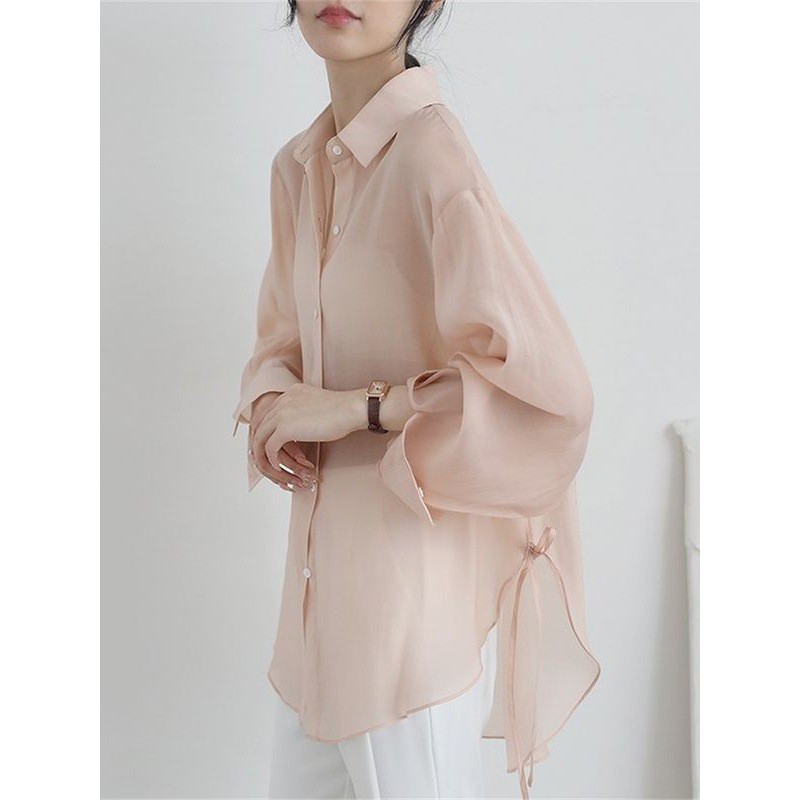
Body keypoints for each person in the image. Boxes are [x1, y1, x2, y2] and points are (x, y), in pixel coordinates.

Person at [232, 2, 600, 797]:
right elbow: (277, 343)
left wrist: (356, 408)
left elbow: (548, 396)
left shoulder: (432, 156)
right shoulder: (297, 168)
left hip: (409, 620)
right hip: (315, 623)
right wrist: (269, 403)